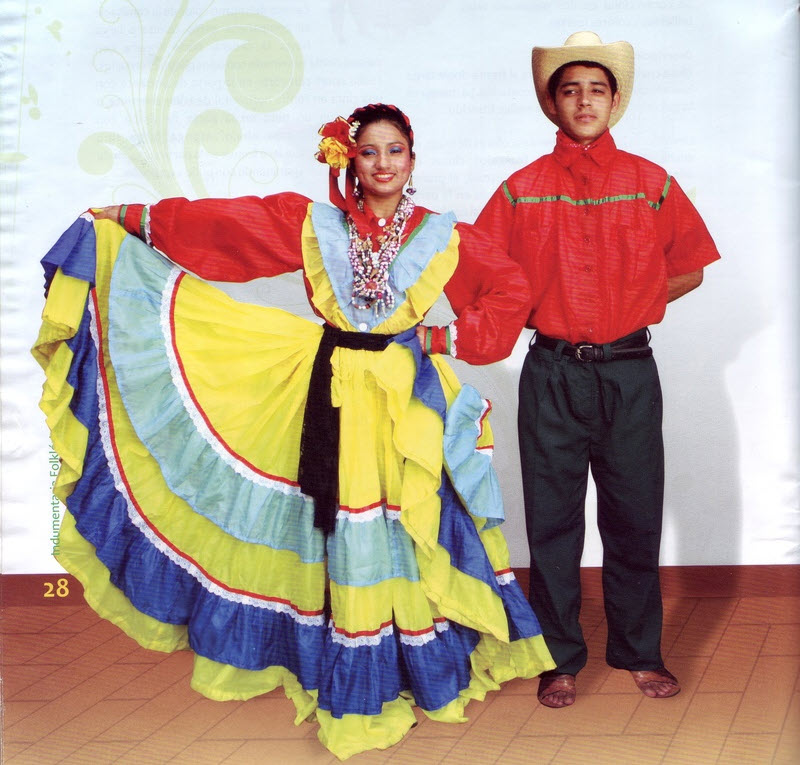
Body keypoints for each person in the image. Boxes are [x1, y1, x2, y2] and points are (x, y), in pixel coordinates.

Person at [33, 103, 554, 759]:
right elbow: (227, 227)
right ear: (350, 161)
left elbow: (509, 289)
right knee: (344, 527)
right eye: (369, 152)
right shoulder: (317, 225)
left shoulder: (442, 234)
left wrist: (441, 338)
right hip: (332, 391)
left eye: (395, 151)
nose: (383, 163)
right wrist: (131, 219)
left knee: (408, 525)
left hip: (404, 397)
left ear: (412, 160)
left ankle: (415, 666)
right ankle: (358, 674)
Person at [475, 34, 721, 709]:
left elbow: (692, 266)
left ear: (615, 102)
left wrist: (634, 302)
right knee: (552, 522)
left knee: (634, 514)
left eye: (596, 90)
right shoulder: (521, 190)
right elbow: (482, 276)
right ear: (552, 104)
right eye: (570, 90)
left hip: (629, 371)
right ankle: (558, 659)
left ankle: (640, 651)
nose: (584, 101)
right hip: (551, 372)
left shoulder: (649, 182)